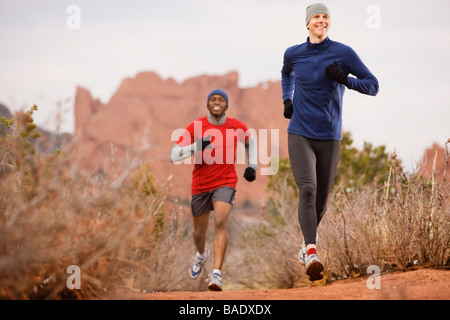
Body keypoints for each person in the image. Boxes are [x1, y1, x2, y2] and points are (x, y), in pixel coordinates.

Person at [281, 3, 379, 281]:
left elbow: (373, 85)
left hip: (330, 136)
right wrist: (287, 99)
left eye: (325, 17)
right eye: (316, 17)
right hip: (300, 131)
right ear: (307, 23)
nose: (321, 21)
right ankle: (312, 251)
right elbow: (285, 73)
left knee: (321, 200)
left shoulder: (343, 53)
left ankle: (305, 243)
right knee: (308, 189)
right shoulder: (293, 53)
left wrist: (345, 79)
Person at [170, 88, 258, 291]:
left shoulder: (236, 126)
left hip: (226, 181)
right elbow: (173, 155)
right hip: (200, 185)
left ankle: (216, 274)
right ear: (207, 105)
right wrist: (195, 146)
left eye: (221, 100)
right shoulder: (196, 126)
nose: (217, 102)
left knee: (220, 221)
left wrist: (252, 165)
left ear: (227, 105)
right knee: (199, 233)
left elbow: (251, 142)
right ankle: (201, 255)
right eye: (213, 99)